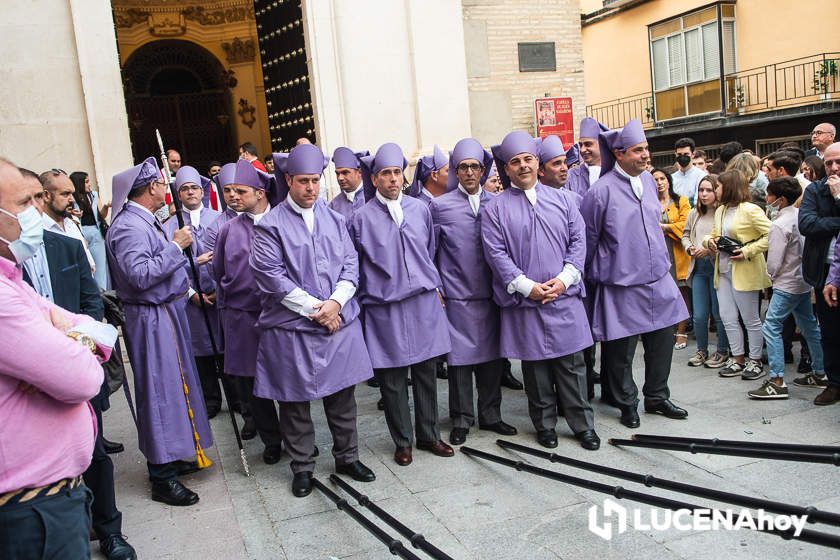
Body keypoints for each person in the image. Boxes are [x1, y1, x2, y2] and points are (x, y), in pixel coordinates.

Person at [0, 159, 118, 560]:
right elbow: (83, 378)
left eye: (36, 200)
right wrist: (70, 349)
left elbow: (95, 325)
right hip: (28, 506)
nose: (34, 212)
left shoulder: (10, 277)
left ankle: (110, 528)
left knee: (101, 459)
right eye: (22, 202)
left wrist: (62, 342)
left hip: (52, 494)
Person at [252, 145, 376, 497]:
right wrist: (319, 310)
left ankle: (347, 457)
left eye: (315, 181)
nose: (310, 188)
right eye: (303, 181)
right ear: (288, 180)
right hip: (292, 329)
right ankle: (303, 467)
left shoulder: (335, 219)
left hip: (337, 322)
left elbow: (351, 265)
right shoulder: (270, 226)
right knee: (294, 404)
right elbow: (272, 278)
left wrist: (336, 302)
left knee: (342, 399)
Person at [483, 131, 600, 450]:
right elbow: (495, 253)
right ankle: (545, 424)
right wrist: (527, 287)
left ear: (538, 163)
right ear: (506, 169)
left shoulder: (564, 200)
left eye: (528, 159)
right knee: (535, 368)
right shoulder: (495, 208)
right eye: (515, 162)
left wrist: (564, 279)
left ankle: (582, 425)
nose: (523, 166)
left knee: (572, 366)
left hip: (564, 295)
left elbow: (579, 242)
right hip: (525, 300)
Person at [106, 157, 213, 506]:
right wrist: (175, 247)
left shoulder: (142, 222)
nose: (166, 189)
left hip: (164, 313)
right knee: (159, 391)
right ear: (151, 187)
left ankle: (173, 454)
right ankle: (161, 477)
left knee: (173, 387)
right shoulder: (128, 227)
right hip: (151, 318)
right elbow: (139, 275)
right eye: (162, 184)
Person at [580, 119, 689, 429]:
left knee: (663, 343)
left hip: (658, 280)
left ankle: (657, 396)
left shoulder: (650, 185)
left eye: (646, 149)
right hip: (621, 285)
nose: (646, 155)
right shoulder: (599, 192)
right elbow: (588, 240)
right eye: (638, 150)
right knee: (620, 352)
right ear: (619, 153)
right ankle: (626, 402)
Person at [350, 142, 454, 466]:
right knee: (392, 380)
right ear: (375, 178)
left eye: (397, 172)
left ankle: (429, 435)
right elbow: (355, 264)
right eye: (386, 174)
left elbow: (430, 249)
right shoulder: (360, 219)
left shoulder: (420, 209)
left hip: (422, 302)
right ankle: (403, 441)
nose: (393, 179)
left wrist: (435, 286)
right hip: (385, 307)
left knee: (426, 372)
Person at [430, 137, 516, 446]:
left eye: (474, 167)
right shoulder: (439, 207)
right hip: (458, 297)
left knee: (492, 360)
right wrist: (438, 288)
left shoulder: (498, 203)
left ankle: (491, 415)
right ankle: (462, 418)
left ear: (483, 170)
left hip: (493, 295)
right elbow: (431, 251)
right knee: (460, 363)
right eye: (463, 167)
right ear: (455, 171)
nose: (469, 173)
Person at [211, 159, 285, 464]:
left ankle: (297, 437)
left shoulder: (282, 221)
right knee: (255, 386)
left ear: (260, 192)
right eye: (228, 191)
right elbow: (218, 271)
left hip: (281, 315)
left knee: (286, 379)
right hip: (244, 317)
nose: (232, 197)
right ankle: (272, 440)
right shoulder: (228, 230)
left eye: (240, 191)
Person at [750, 177, 825, 399]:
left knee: (771, 325)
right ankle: (820, 372)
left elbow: (773, 261)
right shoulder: (800, 216)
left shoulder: (780, 225)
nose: (767, 199)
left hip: (785, 283)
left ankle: (777, 380)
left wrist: (770, 277)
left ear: (780, 200)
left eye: (770, 195)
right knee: (810, 326)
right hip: (802, 280)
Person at [162, 166, 225, 418]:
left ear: (202, 191)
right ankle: (210, 400)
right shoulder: (170, 227)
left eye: (194, 188)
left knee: (225, 348)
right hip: (190, 299)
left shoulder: (218, 219)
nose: (190, 192)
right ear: (179, 194)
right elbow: (167, 265)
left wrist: (221, 290)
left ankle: (237, 399)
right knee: (200, 352)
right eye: (185, 189)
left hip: (220, 295)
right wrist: (191, 294)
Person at [703, 169, 771, 380]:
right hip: (722, 270)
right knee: (727, 317)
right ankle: (738, 357)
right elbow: (712, 235)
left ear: (729, 187)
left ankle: (756, 360)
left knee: (751, 318)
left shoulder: (750, 210)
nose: (716, 190)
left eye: (718, 186)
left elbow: (773, 233)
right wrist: (709, 242)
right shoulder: (721, 210)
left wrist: (747, 250)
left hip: (745, 270)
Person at [800, 141, 840, 405]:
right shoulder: (815, 190)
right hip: (825, 271)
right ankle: (834, 382)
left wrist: (839, 198)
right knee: (830, 330)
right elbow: (806, 223)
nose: (834, 168)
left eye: (839, 162)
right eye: (828, 163)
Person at [682, 174, 730, 368]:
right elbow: (685, 235)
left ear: (717, 191)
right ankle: (701, 350)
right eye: (701, 190)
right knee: (699, 315)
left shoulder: (724, 212)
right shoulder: (695, 213)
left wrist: (710, 249)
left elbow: (727, 239)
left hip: (717, 267)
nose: (704, 194)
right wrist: (689, 248)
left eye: (709, 190)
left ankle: (722, 351)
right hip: (698, 268)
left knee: (719, 314)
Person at [652, 168, 691, 349]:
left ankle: (681, 331)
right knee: (662, 295)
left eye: (662, 179)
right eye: (655, 179)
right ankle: (666, 331)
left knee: (680, 292)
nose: (659, 182)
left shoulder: (680, 201)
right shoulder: (648, 201)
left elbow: (686, 224)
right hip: (657, 253)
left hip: (676, 251)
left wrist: (665, 227)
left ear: (668, 181)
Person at [38, 169, 95, 272]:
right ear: (46, 196)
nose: (72, 199)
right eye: (65, 194)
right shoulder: (39, 231)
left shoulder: (71, 223)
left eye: (72, 194)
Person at [69, 170, 110, 289]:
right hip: (79, 235)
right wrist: (72, 215)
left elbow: (101, 215)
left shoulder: (93, 195)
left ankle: (103, 295)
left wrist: (106, 207)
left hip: (95, 233)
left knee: (100, 268)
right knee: (86, 269)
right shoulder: (71, 198)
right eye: (86, 182)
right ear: (79, 183)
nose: (89, 184)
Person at [566, 117, 608, 196]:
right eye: (581, 145)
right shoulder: (570, 176)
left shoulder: (612, 172)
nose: (582, 150)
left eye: (588, 144)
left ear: (601, 144)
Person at [329, 147, 368, 222]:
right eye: (337, 173)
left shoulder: (372, 199)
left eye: (345, 173)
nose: (340, 178)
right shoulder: (333, 206)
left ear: (359, 172)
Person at [671, 137, 705, 206]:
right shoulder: (671, 178)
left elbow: (698, 202)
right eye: (679, 154)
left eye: (686, 154)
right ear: (675, 154)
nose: (682, 157)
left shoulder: (701, 176)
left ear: (693, 154)